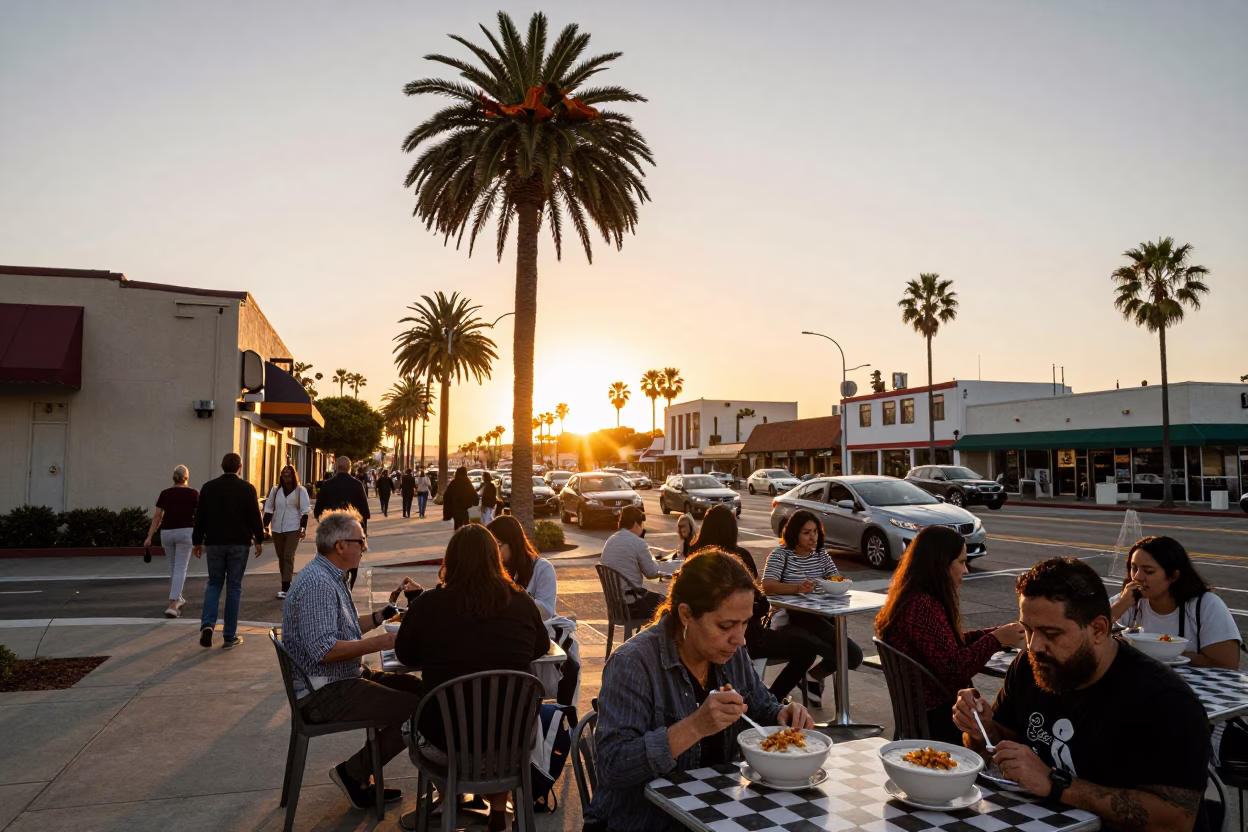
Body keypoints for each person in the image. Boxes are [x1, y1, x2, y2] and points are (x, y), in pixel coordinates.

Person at [954, 557, 1210, 832]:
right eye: (1027, 630)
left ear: (1098, 629)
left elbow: (1176, 820)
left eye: (1051, 633)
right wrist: (980, 728)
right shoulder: (1030, 666)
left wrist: (1055, 784)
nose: (1034, 645)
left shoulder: (1164, 699)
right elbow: (998, 749)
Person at [587, 549, 815, 832]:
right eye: (726, 625)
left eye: (744, 623)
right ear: (686, 614)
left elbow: (758, 706)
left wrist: (782, 714)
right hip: (644, 820)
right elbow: (612, 766)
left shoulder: (730, 653)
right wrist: (695, 726)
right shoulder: (632, 664)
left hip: (718, 813)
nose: (740, 639)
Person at [395, 524, 550, 832]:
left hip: (445, 746)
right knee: (500, 722)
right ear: (496, 560)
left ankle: (449, 798)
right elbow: (541, 646)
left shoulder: (428, 605)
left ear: (449, 562)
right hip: (511, 748)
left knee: (413, 719)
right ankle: (495, 805)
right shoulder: (520, 602)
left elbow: (405, 655)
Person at [281, 508, 422, 812]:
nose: (365, 547)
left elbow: (342, 627)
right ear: (341, 546)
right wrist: (381, 642)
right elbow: (324, 650)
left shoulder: (330, 575)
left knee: (423, 692)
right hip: (324, 693)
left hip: (342, 679)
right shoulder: (318, 584)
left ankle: (358, 773)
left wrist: (384, 615)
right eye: (361, 541)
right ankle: (353, 773)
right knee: (418, 711)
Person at [874, 526, 1026, 743]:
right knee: (1009, 728)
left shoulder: (913, 598)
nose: (966, 570)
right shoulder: (921, 605)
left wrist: (996, 633)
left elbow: (947, 643)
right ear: (941, 565)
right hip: (938, 719)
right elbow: (952, 669)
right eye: (961, 562)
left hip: (923, 714)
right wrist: (995, 640)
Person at [689, 505, 819, 702]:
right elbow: (758, 604)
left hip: (700, 637)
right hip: (747, 639)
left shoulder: (693, 556)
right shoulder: (739, 558)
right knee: (807, 650)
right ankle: (772, 700)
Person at [761, 509, 863, 692]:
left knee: (852, 654)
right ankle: (806, 683)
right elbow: (767, 585)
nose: (813, 537)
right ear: (794, 534)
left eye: (815, 532)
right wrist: (797, 588)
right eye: (806, 533)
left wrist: (838, 583)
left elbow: (835, 579)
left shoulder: (821, 556)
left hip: (823, 616)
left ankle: (811, 677)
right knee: (850, 654)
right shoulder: (781, 555)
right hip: (792, 618)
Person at [489, 514, 582, 708]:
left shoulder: (542, 569)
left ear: (513, 543)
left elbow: (547, 611)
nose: (495, 553)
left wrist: (517, 597)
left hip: (534, 641)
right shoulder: (493, 571)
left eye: (498, 545)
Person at [1111, 535, 1241, 668]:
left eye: (1148, 571)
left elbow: (1227, 664)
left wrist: (1171, 655)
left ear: (1174, 576)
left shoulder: (1206, 605)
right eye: (1134, 568)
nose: (1137, 577)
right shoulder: (1129, 600)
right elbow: (1091, 633)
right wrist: (1120, 605)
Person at [192, 452, 264, 649]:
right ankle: (229, 636)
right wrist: (259, 537)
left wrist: (197, 541)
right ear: (239, 467)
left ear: (222, 466)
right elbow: (253, 515)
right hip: (239, 543)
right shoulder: (247, 489)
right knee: (234, 587)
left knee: (214, 583)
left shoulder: (208, 488)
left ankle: (207, 625)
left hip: (214, 542)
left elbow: (200, 516)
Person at [143, 464, 199, 618]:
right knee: (181, 567)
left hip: (166, 532)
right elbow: (200, 515)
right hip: (186, 531)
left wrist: (149, 536)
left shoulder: (165, 494)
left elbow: (157, 516)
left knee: (174, 566)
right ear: (186, 478)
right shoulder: (194, 493)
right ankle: (173, 603)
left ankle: (178, 597)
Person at [600, 506, 673, 624]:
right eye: (642, 525)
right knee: (666, 605)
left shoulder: (610, 541)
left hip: (615, 608)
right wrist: (654, 560)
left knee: (655, 600)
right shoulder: (637, 542)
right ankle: (657, 641)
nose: (642, 529)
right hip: (632, 607)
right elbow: (651, 572)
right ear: (635, 524)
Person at [314, 456, 371, 588]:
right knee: (352, 565)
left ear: (336, 468)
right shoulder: (357, 485)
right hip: (351, 535)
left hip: (331, 535)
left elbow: (317, 511)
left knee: (330, 564)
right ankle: (347, 590)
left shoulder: (327, 485)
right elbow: (365, 513)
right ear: (350, 468)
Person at [263, 465, 311, 599]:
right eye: (284, 474)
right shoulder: (275, 491)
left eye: (289, 474)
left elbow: (305, 512)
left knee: (288, 556)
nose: (286, 476)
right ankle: (286, 582)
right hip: (277, 528)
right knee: (281, 556)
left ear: (294, 475)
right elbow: (268, 509)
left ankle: (285, 587)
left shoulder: (300, 491)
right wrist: (264, 526)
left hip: (293, 528)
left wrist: (303, 528)